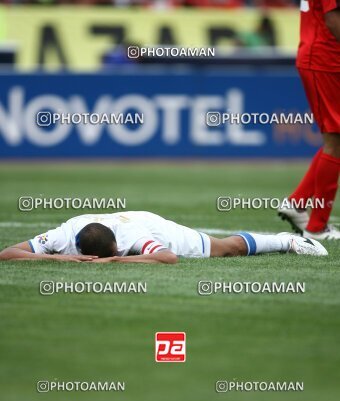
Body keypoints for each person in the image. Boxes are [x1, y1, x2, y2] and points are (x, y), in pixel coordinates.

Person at [0, 211, 328, 263]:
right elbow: (7, 253)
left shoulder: (132, 237)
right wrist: (59, 258)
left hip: (147, 222)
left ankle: (288, 241)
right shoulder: (62, 236)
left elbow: (167, 258)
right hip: (104, 228)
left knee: (227, 249)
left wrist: (116, 262)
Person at [278, 0, 340, 240]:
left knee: (335, 140)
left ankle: (298, 202)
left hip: (324, 57)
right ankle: (317, 226)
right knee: (334, 141)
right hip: (325, 59)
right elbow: (333, 19)